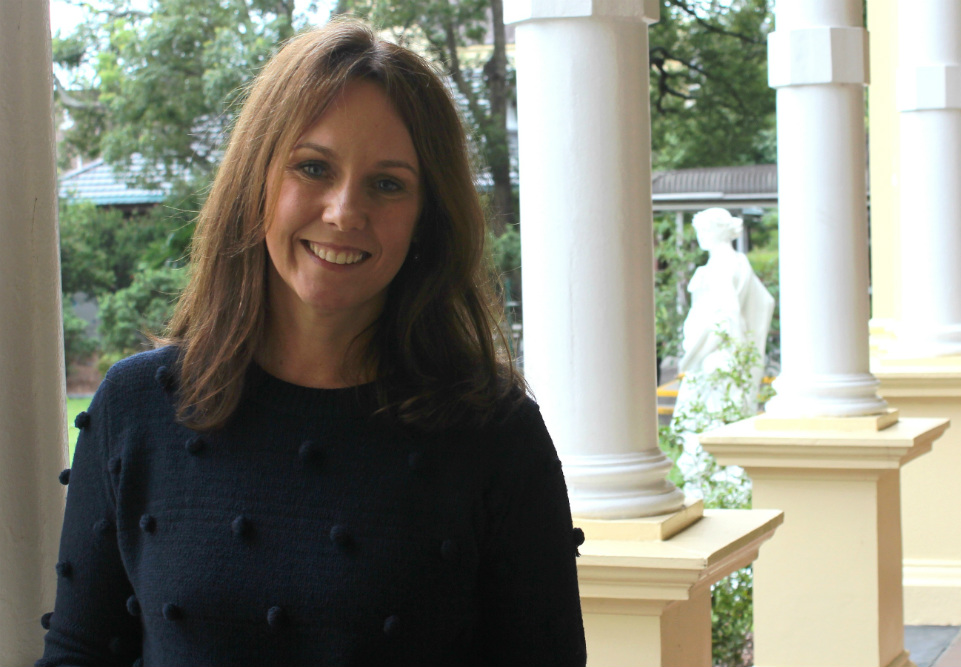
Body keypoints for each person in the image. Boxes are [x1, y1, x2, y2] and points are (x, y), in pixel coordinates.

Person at [37, 19, 586, 667]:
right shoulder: (134, 408)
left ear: (425, 219)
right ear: (256, 184)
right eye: (313, 167)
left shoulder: (496, 432)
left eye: (388, 183)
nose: (343, 211)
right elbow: (78, 655)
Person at [674, 208, 773, 420]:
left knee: (706, 413)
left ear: (717, 231)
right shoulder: (737, 261)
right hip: (718, 346)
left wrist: (735, 350)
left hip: (714, 348)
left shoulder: (722, 264)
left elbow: (729, 313)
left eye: (703, 230)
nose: (700, 236)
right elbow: (764, 302)